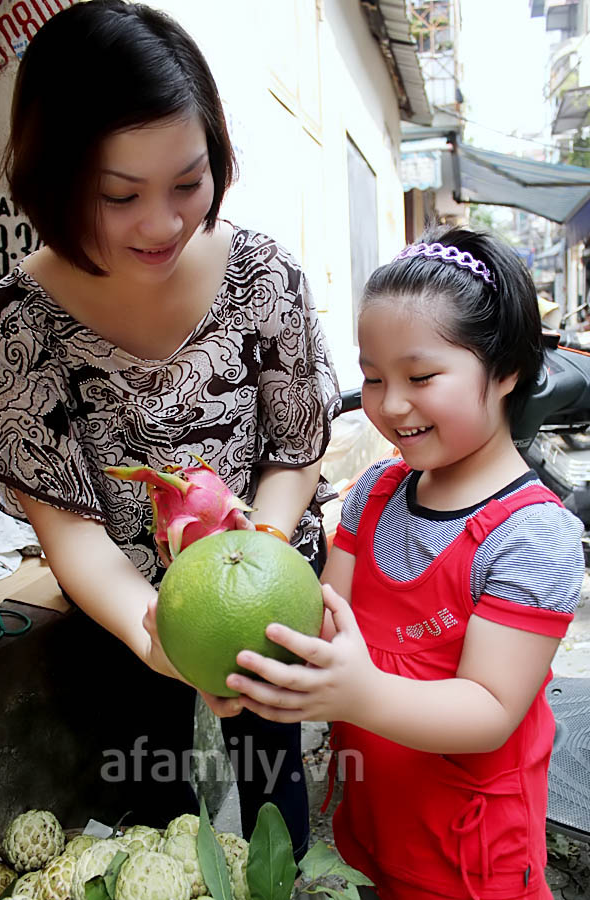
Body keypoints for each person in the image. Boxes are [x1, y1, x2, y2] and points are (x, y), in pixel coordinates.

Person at [0, 0, 340, 852]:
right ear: (56, 180)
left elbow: (293, 450)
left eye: (189, 182)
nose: (164, 224)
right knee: (149, 813)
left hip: (263, 600)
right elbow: (70, 530)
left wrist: (255, 554)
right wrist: (154, 630)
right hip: (124, 618)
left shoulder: (264, 276)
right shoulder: (19, 329)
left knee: (272, 799)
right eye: (120, 195)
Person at [224, 226, 585, 899]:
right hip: (370, 827)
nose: (390, 404)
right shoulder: (376, 494)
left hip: (471, 860)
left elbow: (490, 709)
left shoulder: (531, 536)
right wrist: (255, 672)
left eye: (420, 377)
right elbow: (324, 626)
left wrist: (360, 695)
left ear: (504, 370)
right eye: (372, 377)